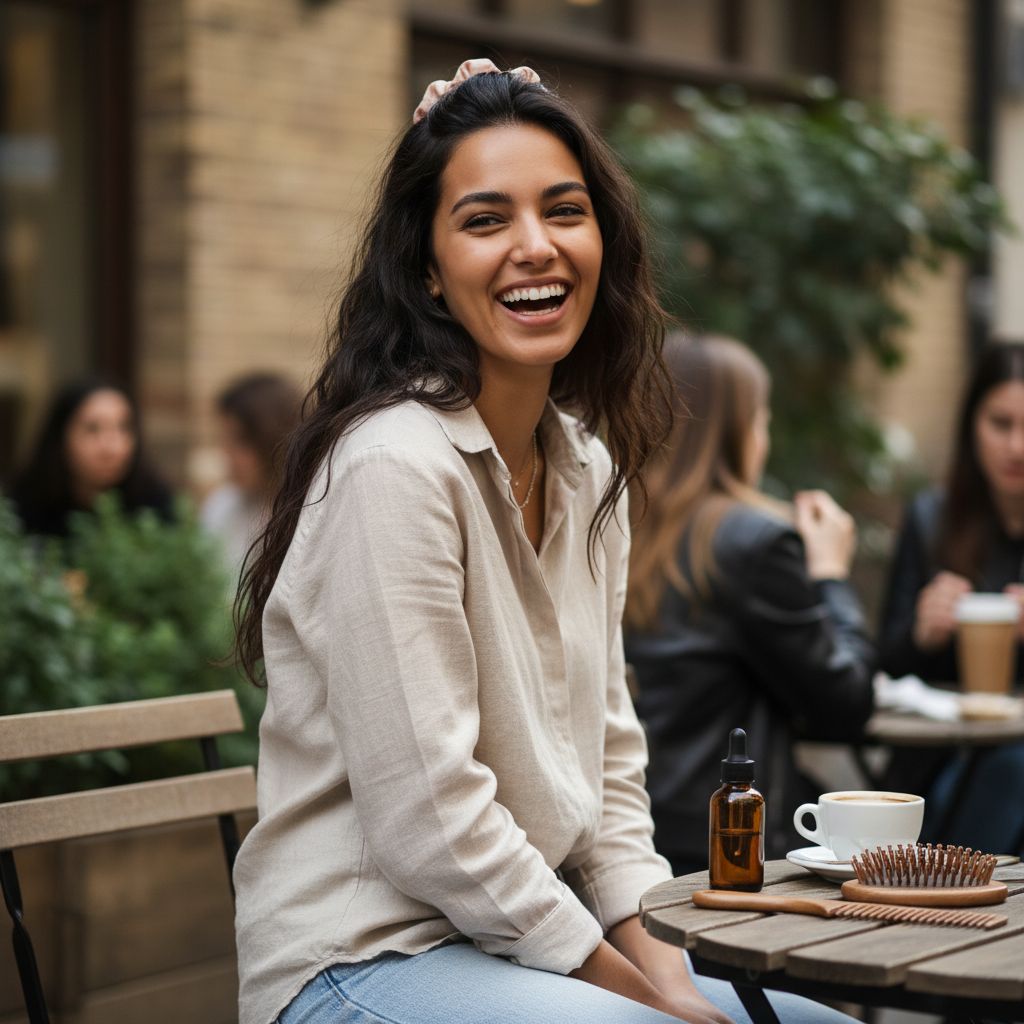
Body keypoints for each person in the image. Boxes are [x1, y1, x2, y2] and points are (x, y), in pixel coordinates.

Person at [231, 62, 856, 1024]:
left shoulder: (585, 466)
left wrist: (669, 976)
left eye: (565, 211)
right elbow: (431, 821)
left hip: (515, 949)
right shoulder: (394, 466)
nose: (536, 246)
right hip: (360, 957)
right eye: (485, 220)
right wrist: (637, 995)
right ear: (428, 269)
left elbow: (610, 771)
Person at [624, 334, 875, 876]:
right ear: (736, 432)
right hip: (734, 839)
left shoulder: (611, 523)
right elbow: (845, 704)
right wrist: (831, 575)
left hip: (629, 833)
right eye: (761, 420)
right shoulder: (753, 542)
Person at [879, 341, 1024, 852]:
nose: (1016, 447)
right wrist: (920, 634)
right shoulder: (932, 519)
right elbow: (883, 667)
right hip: (941, 759)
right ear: (971, 425)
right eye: (1000, 424)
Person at [9, 378, 173, 540]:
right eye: (92, 429)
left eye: (123, 428)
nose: (111, 447)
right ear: (60, 437)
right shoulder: (22, 510)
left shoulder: (155, 508)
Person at [200, 372, 302, 580]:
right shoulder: (223, 505)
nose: (227, 454)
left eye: (240, 441)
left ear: (276, 441)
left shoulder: (309, 513)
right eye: (224, 440)